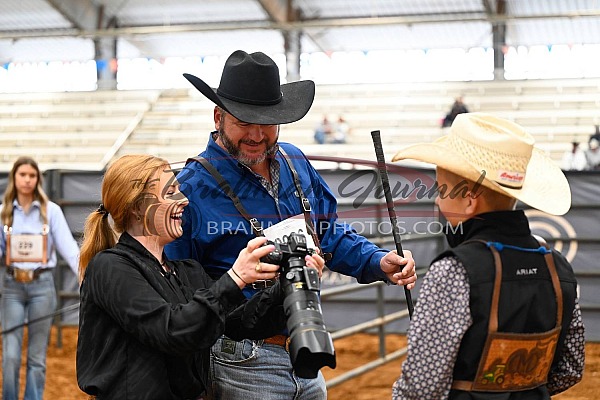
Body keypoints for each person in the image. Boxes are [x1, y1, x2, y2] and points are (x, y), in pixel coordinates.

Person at [165, 49, 417, 400]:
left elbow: (327, 232)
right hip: (238, 360)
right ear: (218, 117)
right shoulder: (189, 188)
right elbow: (177, 290)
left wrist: (376, 260)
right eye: (243, 121)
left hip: (305, 347)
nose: (256, 134)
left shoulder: (296, 161)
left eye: (266, 122)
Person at [76, 154, 324, 399]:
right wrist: (235, 276)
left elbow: (240, 324)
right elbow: (171, 331)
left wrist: (286, 284)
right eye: (171, 192)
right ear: (138, 208)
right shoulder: (110, 267)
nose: (184, 200)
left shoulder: (187, 271)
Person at [391, 113, 585, 399]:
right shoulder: (557, 267)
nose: (437, 198)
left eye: (442, 188)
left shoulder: (453, 271)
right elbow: (570, 366)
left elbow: (421, 388)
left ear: (469, 200)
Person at [0, 156, 80, 400]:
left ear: (38, 180)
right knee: (10, 355)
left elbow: (69, 248)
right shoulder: (3, 212)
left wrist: (85, 276)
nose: (27, 180)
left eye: (32, 175)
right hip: (12, 286)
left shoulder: (51, 211)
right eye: (22, 175)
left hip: (42, 287)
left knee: (36, 356)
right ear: (14, 178)